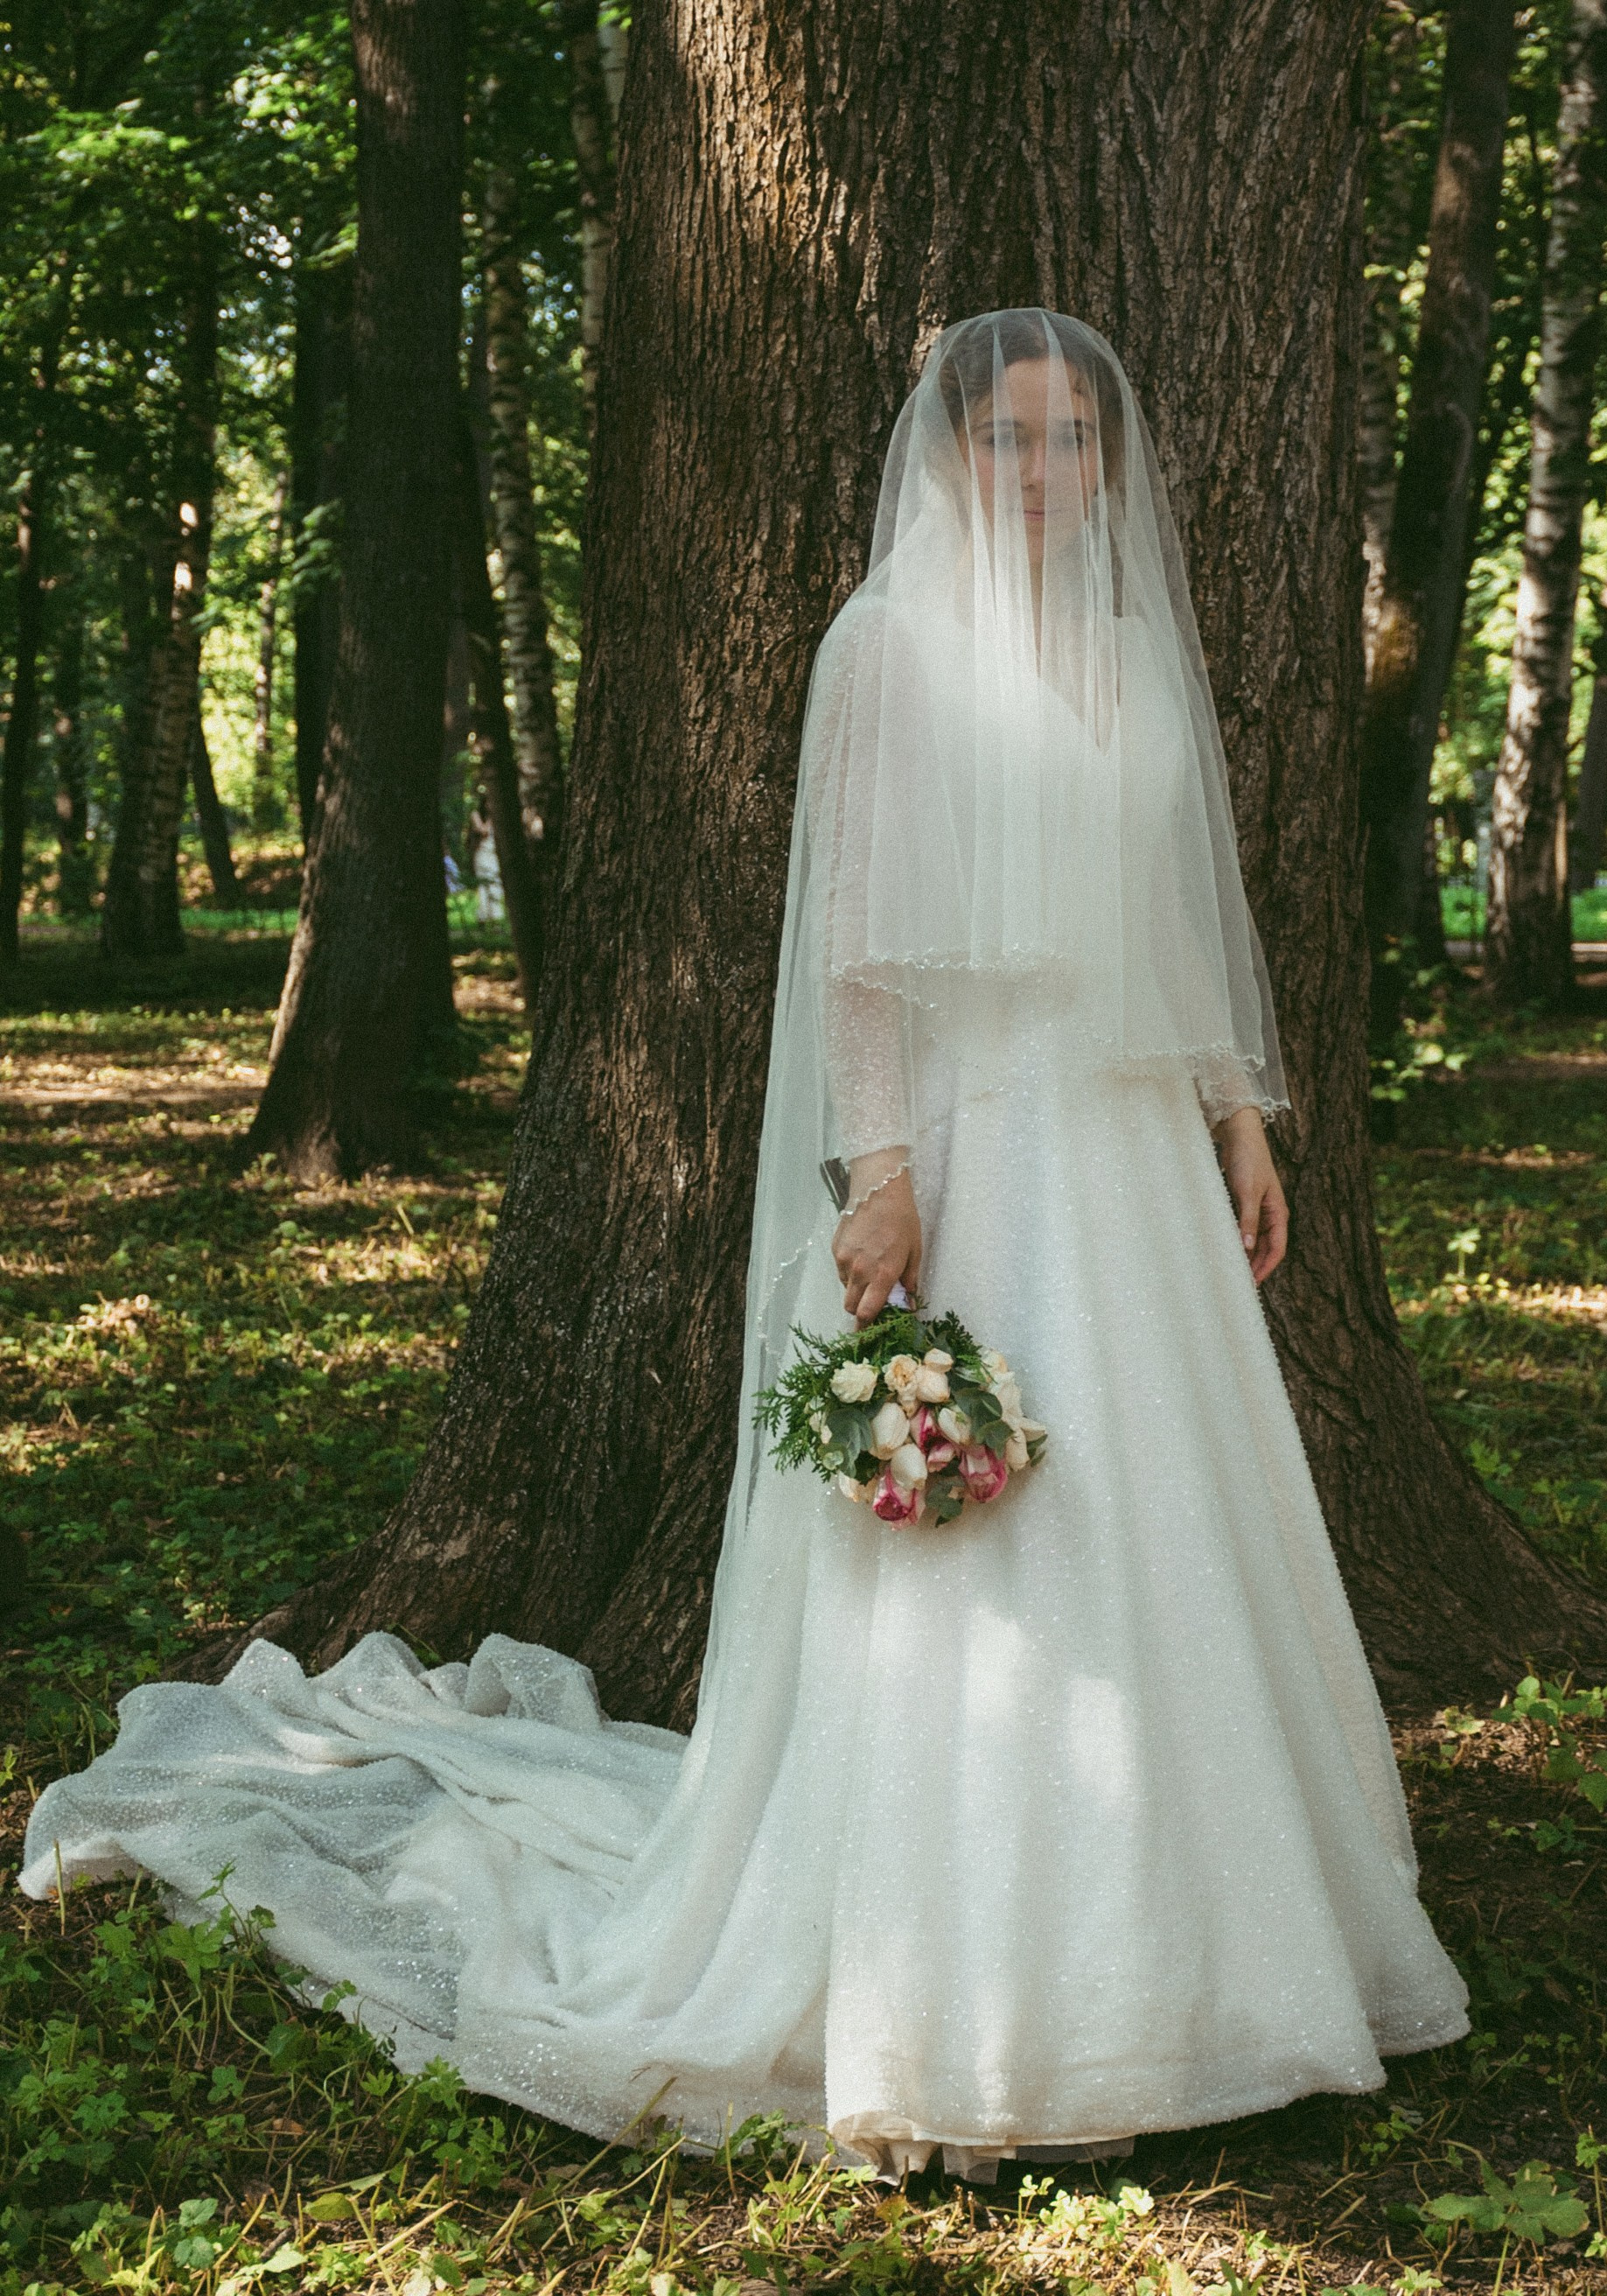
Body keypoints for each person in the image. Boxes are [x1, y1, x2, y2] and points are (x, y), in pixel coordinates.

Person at [22, 310, 1468, 2183]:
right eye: (1011, 439)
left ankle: (1214, 1962)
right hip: (972, 1152)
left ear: (1110, 463)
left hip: (1131, 1161)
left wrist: (1242, 1115)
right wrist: (880, 1169)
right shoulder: (887, 649)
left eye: (1074, 442)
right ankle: (968, 1985)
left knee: (1163, 1533)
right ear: (952, 457)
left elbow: (1179, 919)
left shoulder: (1127, 654)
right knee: (985, 1545)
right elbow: (855, 933)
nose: (1044, 474)